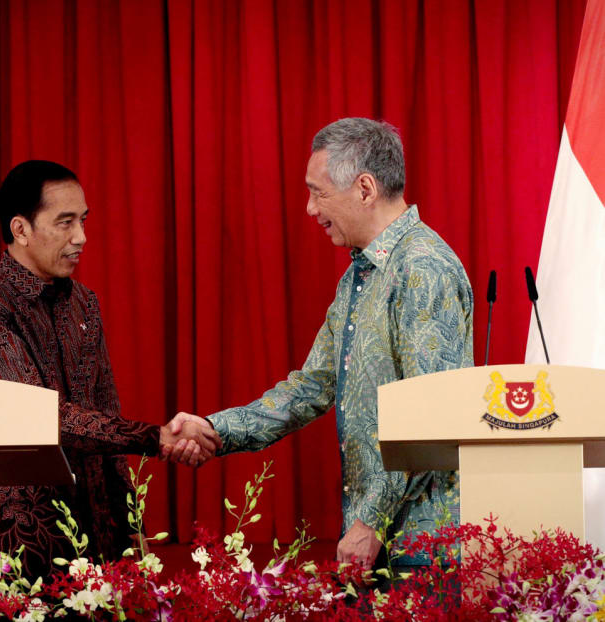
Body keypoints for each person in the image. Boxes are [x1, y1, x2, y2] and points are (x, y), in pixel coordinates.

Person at [166, 118, 474, 570]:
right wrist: (215, 430)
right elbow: (311, 386)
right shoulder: (359, 275)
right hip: (380, 542)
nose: (310, 208)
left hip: (423, 546)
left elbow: (431, 417)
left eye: (318, 191)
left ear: (365, 188)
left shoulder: (423, 268)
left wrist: (370, 522)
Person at [0, 160, 220, 578]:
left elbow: (105, 409)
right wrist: (157, 438)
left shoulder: (84, 303)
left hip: (100, 529)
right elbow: (41, 416)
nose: (81, 238)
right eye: (64, 223)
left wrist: (131, 524)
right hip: (28, 538)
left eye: (82, 221)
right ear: (20, 229)